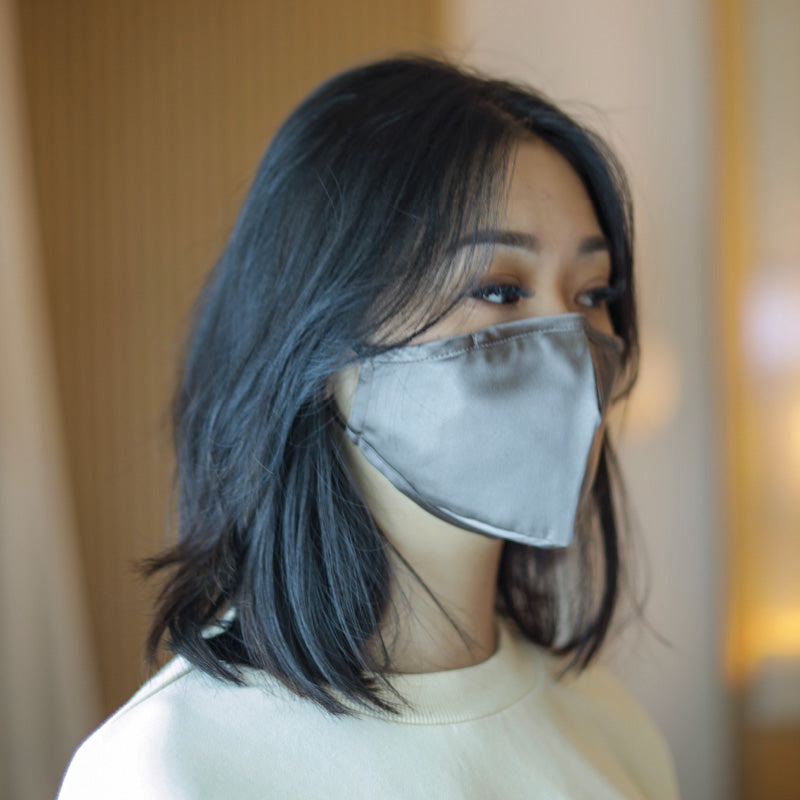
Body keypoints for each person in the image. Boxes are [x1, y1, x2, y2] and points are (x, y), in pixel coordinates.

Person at [58, 56, 681, 799]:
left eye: (594, 294)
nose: (571, 348)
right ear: (320, 335)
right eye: (498, 289)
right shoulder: (170, 767)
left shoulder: (611, 728)